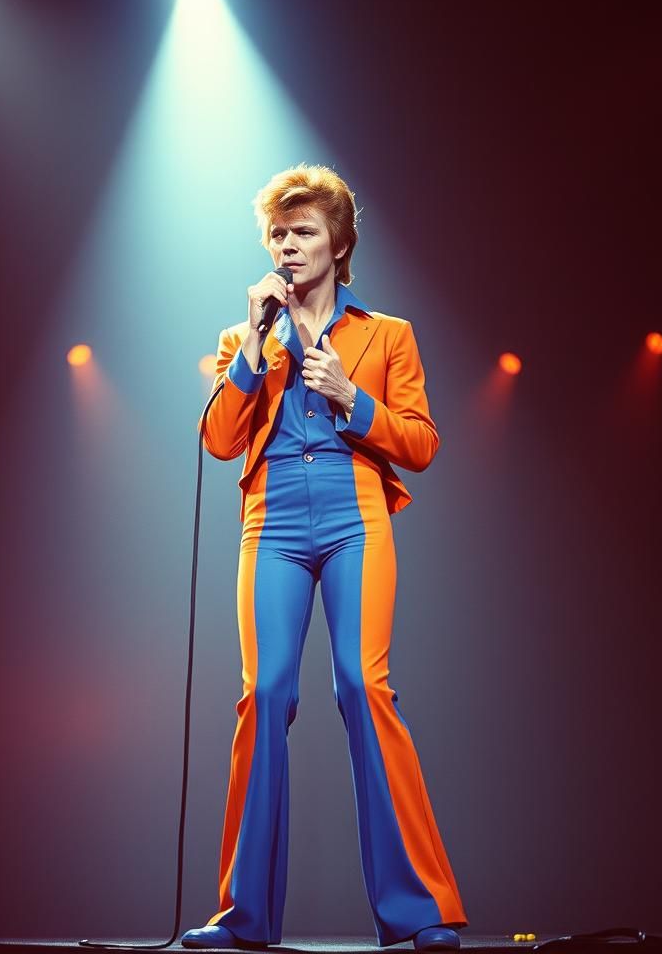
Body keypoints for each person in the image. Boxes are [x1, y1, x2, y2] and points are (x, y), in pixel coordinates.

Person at [184, 165, 467, 953]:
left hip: (354, 518)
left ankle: (420, 913)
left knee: (362, 685)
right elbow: (217, 440)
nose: (287, 244)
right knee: (264, 694)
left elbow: (423, 443)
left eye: (304, 231)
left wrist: (353, 397)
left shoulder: (386, 334)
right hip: (271, 521)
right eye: (278, 232)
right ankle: (244, 917)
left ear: (340, 245)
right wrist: (250, 350)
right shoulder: (246, 336)